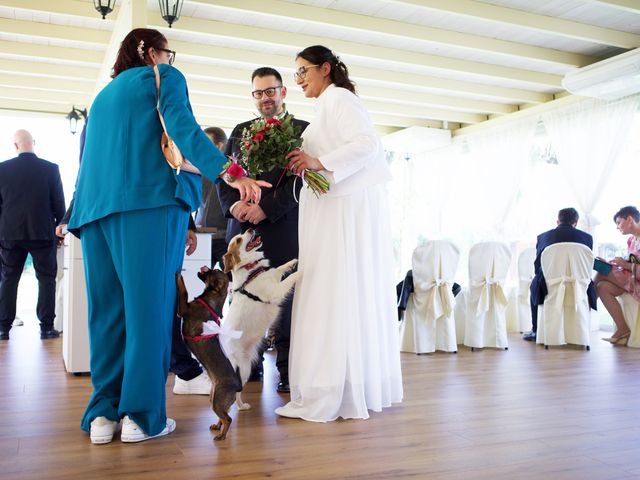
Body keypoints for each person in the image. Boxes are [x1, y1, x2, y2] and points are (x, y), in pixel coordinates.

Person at [67, 28, 267, 445]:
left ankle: (103, 415)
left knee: (108, 314)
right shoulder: (163, 77)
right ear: (152, 52)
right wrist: (232, 173)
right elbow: (182, 129)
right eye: (167, 53)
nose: (169, 60)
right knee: (149, 312)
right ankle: (141, 417)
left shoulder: (101, 98)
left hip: (94, 211)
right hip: (148, 203)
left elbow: (88, 159)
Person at [275, 45, 403, 422]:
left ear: (325, 69)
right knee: (330, 291)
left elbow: (366, 145)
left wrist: (317, 161)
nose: (298, 80)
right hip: (328, 207)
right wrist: (307, 167)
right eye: (295, 73)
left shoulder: (340, 98)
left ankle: (337, 385)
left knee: (334, 289)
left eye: (303, 72)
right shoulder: (325, 106)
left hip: (342, 212)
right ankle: (336, 380)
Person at [217, 67, 309, 393]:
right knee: (241, 301)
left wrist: (265, 208)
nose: (265, 98)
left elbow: (301, 183)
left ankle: (286, 369)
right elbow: (224, 175)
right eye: (258, 92)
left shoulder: (303, 131)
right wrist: (233, 206)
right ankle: (246, 367)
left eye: (271, 91)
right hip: (242, 234)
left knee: (283, 301)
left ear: (283, 92)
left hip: (283, 228)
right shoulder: (240, 131)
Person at [171, 126, 230, 396]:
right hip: (197, 233)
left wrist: (190, 224)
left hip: (222, 237)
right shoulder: (195, 168)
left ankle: (189, 366)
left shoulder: (223, 171)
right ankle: (184, 368)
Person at [0, 129, 65, 341]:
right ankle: (46, 327)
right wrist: (60, 230)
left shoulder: (2, 170)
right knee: (46, 279)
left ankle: (2, 328)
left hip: (10, 233)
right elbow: (59, 205)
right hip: (42, 232)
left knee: (8, 279)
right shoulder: (50, 169)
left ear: (15, 145)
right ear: (33, 143)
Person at [522, 207, 597, 341]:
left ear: (558, 221)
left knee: (535, 282)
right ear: (576, 222)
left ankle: (536, 330)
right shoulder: (587, 238)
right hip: (578, 284)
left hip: (550, 283)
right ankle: (581, 334)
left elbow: (538, 265)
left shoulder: (543, 237)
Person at [593, 206, 640, 344]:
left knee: (603, 271)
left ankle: (588, 302)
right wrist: (614, 263)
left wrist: (624, 265)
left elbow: (629, 266)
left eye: (618, 222)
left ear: (629, 219)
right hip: (632, 280)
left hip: (637, 282)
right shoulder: (632, 240)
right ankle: (623, 328)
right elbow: (631, 263)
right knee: (602, 287)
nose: (617, 227)